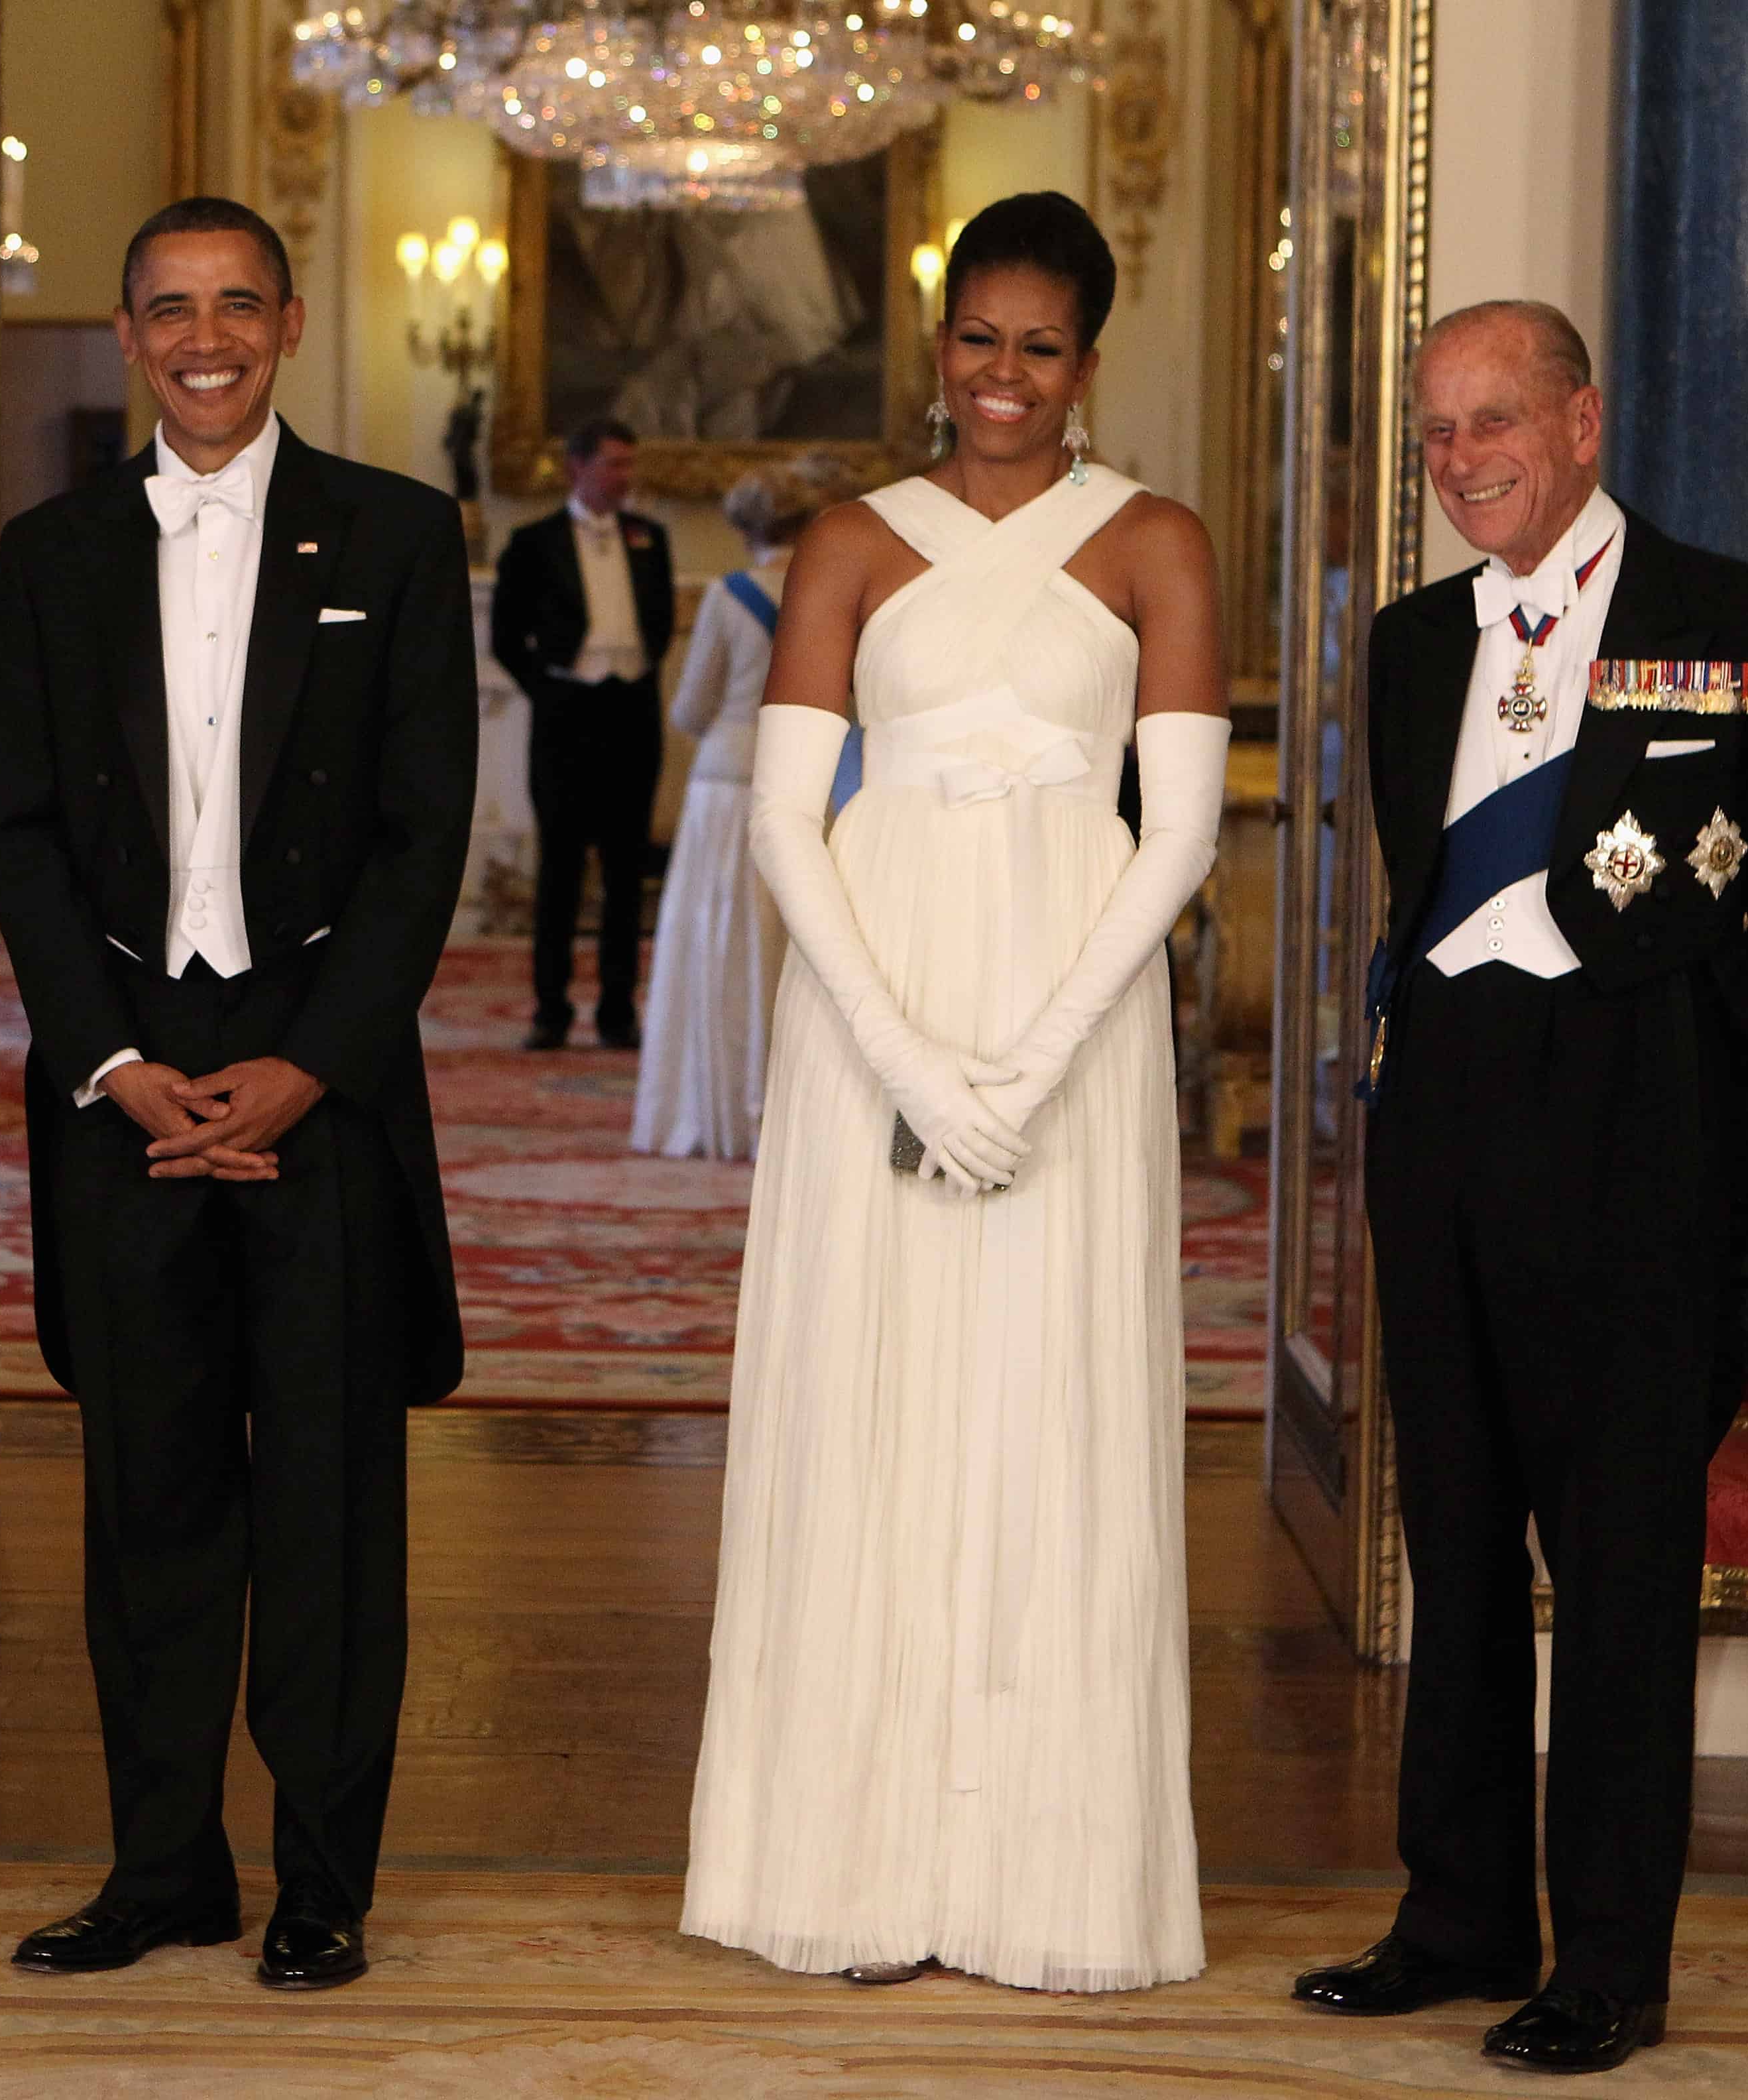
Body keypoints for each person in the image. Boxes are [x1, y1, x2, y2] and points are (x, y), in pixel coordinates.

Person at [1289, 302, 1748, 2073]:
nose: (1461, 459)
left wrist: (1708, 1108)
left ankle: (1609, 1958)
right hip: (1446, 1119)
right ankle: (1460, 1913)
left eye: (1494, 421)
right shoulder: (1410, 645)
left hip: (1636, 1122)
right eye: (1436, 433)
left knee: (1617, 1559)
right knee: (1456, 1537)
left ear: (1583, 419)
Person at [680, 193, 1229, 1993]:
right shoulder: (850, 539)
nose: (1006, 374)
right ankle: (845, 1865)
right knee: (871, 1394)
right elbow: (785, 823)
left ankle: (1047, 1883)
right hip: (875, 1007)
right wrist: (912, 1062)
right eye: (979, 339)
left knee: (1050, 1401)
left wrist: (1036, 1062)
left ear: (1089, 360)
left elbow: (1178, 835)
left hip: (1077, 1017)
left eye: (1041, 346)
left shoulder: (1155, 541)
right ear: (940, 347)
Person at [0, 198, 474, 1993]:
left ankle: (321, 1884)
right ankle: (162, 1869)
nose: (206, 338)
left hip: (320, 1077)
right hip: (126, 1080)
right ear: (127, 334)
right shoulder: (49, 554)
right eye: (172, 309)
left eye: (237, 304)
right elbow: (20, 830)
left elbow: (425, 833)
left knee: (331, 1505)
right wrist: (114, 1066)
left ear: (289, 323)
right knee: (150, 1502)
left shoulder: (399, 536)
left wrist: (307, 1064)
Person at [629, 456, 845, 1160]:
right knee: (799, 943)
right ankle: (796, 1106)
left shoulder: (729, 596)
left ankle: (716, 1106)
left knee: (722, 943)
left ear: (745, 526)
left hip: (729, 783)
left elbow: (691, 707)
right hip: (810, 775)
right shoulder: (834, 590)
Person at [490, 417, 677, 1049]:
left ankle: (618, 1011)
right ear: (578, 467)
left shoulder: (649, 536)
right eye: (614, 464)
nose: (625, 476)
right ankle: (551, 1010)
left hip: (632, 713)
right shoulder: (533, 542)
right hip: (566, 717)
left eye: (629, 464)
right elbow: (506, 637)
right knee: (561, 869)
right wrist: (549, 688)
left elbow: (660, 619)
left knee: (626, 871)